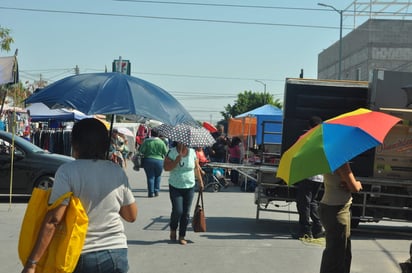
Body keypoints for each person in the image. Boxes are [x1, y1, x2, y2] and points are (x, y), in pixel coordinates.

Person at [21, 118, 137, 273]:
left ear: (75, 143)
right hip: (116, 253)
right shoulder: (117, 171)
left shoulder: (67, 171)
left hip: (80, 254)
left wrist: (32, 263)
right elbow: (131, 216)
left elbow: (54, 220)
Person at [319, 162, 363, 273]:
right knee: (337, 255)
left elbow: (341, 182)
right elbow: (354, 187)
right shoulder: (341, 162)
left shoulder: (329, 159)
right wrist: (358, 183)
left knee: (338, 251)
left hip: (329, 206)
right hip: (338, 209)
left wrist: (347, 184)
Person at [163, 141, 204, 245]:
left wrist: (200, 181)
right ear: (177, 141)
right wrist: (176, 160)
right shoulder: (171, 152)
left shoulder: (192, 152)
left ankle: (182, 235)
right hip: (175, 186)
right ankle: (173, 228)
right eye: (182, 142)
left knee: (186, 213)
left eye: (186, 142)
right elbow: (166, 168)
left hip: (190, 186)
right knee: (178, 210)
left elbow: (196, 168)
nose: (184, 143)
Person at [294, 116, 324, 239]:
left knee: (304, 204)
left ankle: (305, 230)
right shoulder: (324, 138)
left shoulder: (307, 138)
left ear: (309, 126)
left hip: (307, 175)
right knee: (313, 203)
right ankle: (317, 227)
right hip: (320, 177)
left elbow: (299, 155)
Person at [139, 129, 168, 198]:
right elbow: (165, 153)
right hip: (159, 161)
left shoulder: (146, 142)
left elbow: (141, 151)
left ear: (150, 133)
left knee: (150, 177)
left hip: (148, 160)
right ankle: (156, 191)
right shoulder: (161, 142)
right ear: (158, 134)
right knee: (158, 176)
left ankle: (151, 192)